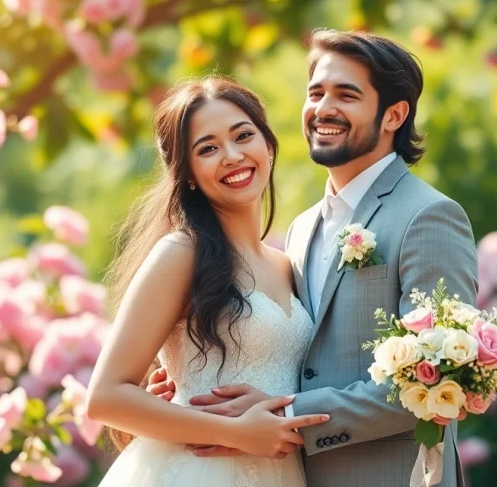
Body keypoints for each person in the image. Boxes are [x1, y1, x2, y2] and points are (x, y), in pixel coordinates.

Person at [150, 30, 479, 487]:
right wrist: (185, 388)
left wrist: (287, 415)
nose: (324, 109)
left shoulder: (429, 216)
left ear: (394, 115)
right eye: (316, 92)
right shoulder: (303, 229)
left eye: (346, 94)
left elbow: (441, 382)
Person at [84, 77, 330, 487]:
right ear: (190, 174)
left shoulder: (288, 264)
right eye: (208, 148)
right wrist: (234, 432)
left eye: (243, 136)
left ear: (268, 146)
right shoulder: (182, 253)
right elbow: (105, 397)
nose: (232, 156)